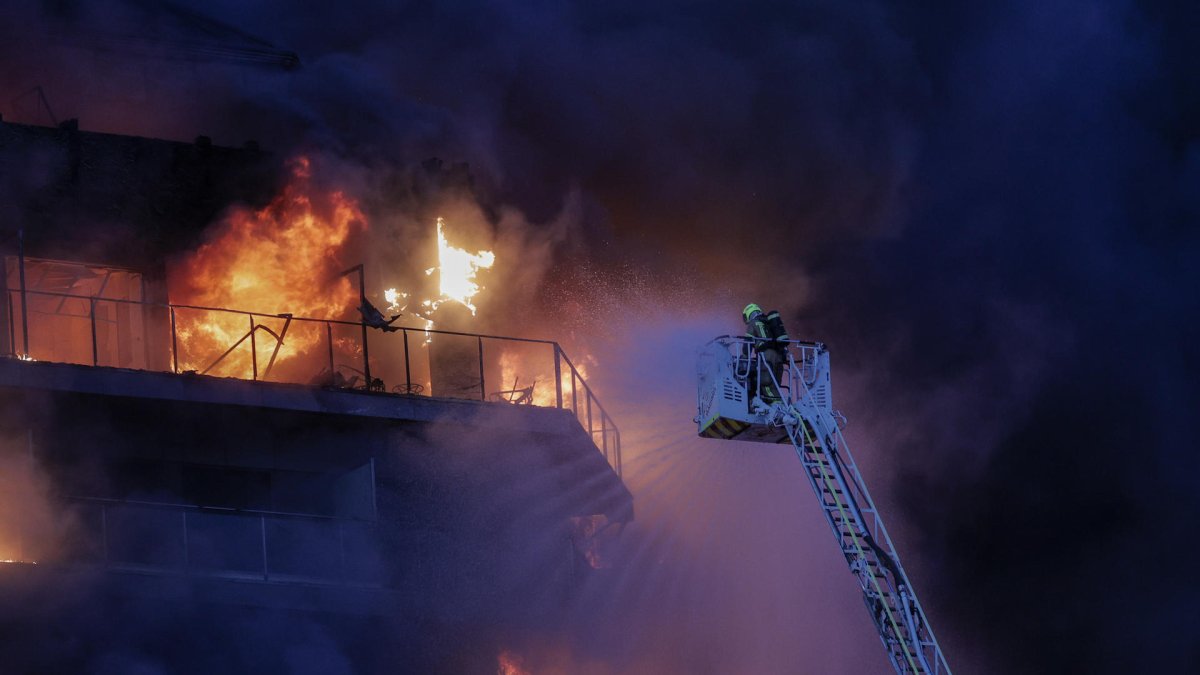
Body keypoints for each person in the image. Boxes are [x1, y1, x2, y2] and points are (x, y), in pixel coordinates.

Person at [742, 303, 789, 402]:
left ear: (749, 314)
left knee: (766, 383)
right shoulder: (769, 322)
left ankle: (775, 404)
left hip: (766, 355)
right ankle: (781, 403)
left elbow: (748, 342)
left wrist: (744, 357)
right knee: (775, 383)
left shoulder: (753, 323)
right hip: (779, 356)